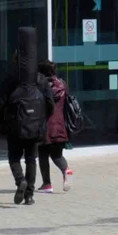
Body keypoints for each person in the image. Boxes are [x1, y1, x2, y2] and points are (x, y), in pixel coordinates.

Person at [0, 26, 54, 206]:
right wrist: (42, 119)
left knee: (14, 157)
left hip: (15, 126)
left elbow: (0, 104)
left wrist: (3, 123)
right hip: (35, 126)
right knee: (31, 159)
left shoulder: (11, 79)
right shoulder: (40, 79)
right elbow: (50, 104)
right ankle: (29, 195)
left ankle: (20, 180)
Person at [36, 59, 71, 193]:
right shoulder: (63, 85)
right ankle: (65, 169)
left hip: (45, 125)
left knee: (43, 154)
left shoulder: (41, 85)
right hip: (60, 125)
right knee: (57, 155)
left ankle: (47, 184)